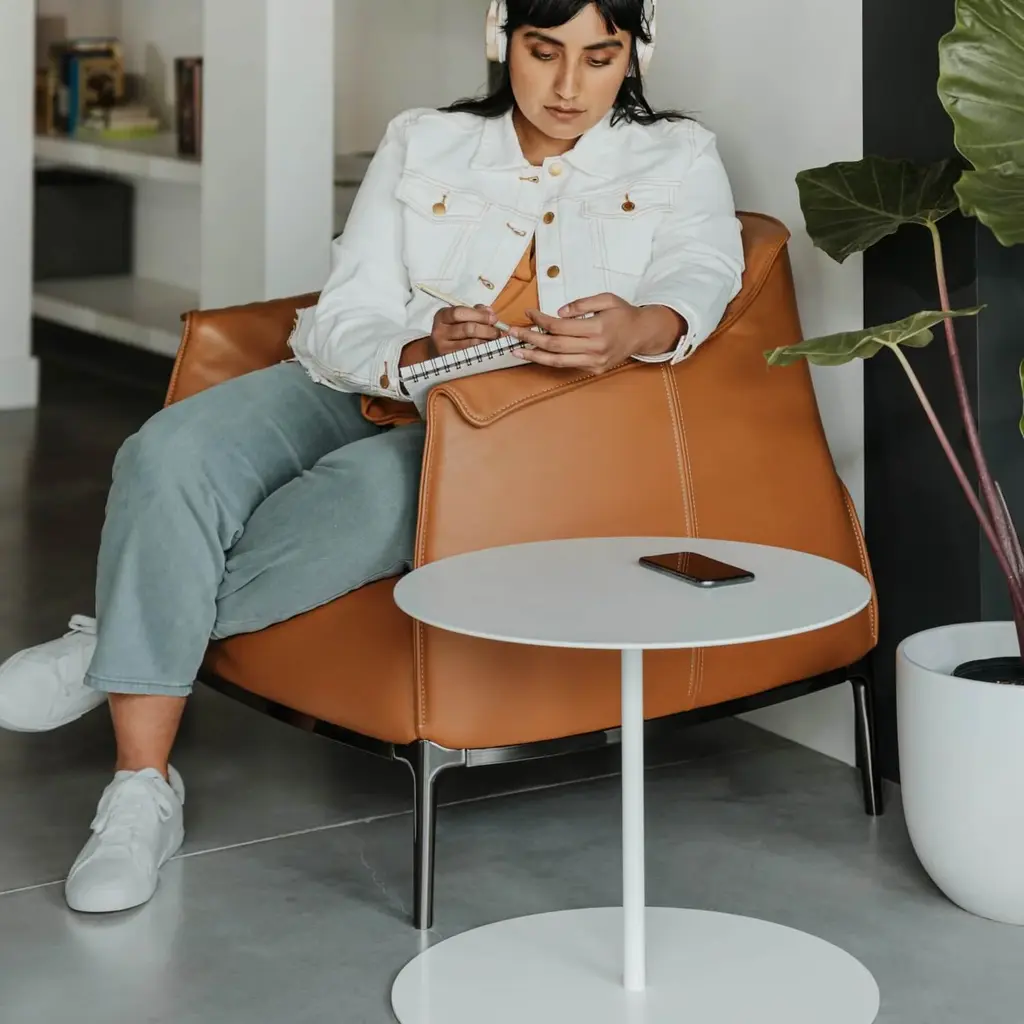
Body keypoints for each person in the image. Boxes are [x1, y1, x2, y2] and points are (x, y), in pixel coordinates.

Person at [0, 0, 744, 914]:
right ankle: (142, 785)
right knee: (168, 451)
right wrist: (417, 346)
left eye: (600, 57)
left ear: (636, 53)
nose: (567, 85)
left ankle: (120, 663)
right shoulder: (424, 139)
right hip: (371, 376)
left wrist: (640, 326)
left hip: (502, 431)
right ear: (499, 39)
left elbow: (704, 274)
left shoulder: (679, 155)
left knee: (361, 499)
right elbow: (345, 310)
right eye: (543, 50)